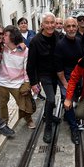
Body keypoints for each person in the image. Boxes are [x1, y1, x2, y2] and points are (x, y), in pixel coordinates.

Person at [27, 12, 60, 143]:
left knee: (51, 99)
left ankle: (48, 115)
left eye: (52, 22)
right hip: (44, 74)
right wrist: (34, 83)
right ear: (42, 25)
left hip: (56, 74)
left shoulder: (58, 36)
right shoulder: (35, 41)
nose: (50, 25)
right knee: (51, 99)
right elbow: (30, 64)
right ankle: (48, 128)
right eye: (47, 23)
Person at [0, 25, 36, 129]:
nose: (2, 37)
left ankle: (28, 119)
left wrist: (27, 83)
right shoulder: (1, 47)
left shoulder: (24, 50)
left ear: (13, 37)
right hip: (1, 82)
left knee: (25, 104)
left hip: (17, 82)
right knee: (2, 104)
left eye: (5, 35)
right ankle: (4, 123)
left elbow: (26, 68)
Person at [54, 17, 84, 144]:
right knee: (68, 99)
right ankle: (74, 128)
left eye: (73, 26)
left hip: (79, 75)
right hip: (65, 76)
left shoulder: (79, 41)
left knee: (74, 100)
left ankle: (68, 115)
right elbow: (58, 68)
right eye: (68, 26)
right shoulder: (60, 45)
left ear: (77, 27)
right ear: (65, 28)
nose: (71, 28)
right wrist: (65, 84)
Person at [17, 17, 46, 101]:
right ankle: (28, 94)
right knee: (26, 78)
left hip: (35, 59)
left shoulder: (32, 33)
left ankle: (38, 93)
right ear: (18, 25)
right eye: (21, 23)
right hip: (22, 60)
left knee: (37, 77)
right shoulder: (16, 36)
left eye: (25, 23)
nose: (23, 24)